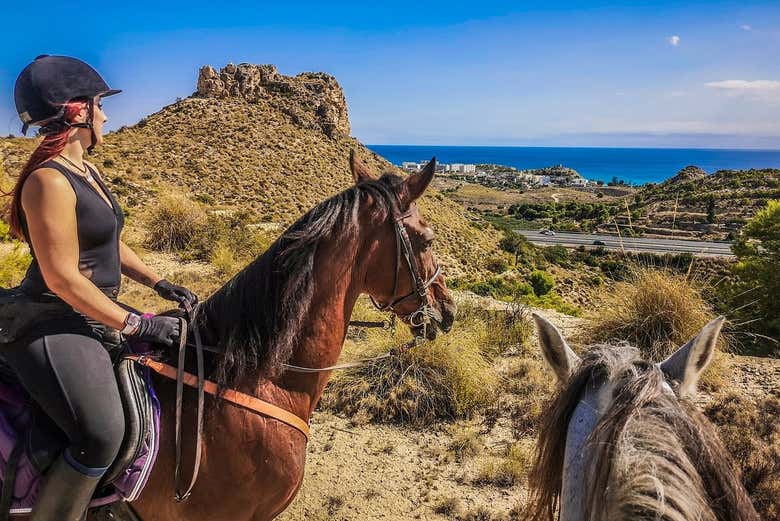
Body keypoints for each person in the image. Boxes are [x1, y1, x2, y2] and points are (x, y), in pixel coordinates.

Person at [1, 55, 198, 521]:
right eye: (99, 105)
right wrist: (136, 323)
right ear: (77, 111)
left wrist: (159, 282)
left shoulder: (87, 172)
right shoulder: (48, 181)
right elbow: (62, 278)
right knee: (101, 435)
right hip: (52, 319)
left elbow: (110, 241)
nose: (107, 115)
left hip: (92, 311)